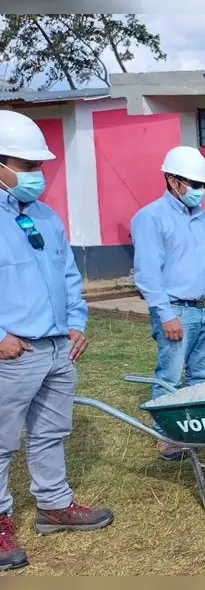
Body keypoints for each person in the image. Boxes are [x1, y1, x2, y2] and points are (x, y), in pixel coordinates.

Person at [0, 110, 113, 572]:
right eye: (25, 166)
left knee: (51, 432)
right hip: (14, 351)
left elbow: (68, 274)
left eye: (38, 166)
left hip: (56, 348)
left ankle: (53, 505)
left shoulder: (45, 216)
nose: (36, 175)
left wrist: (77, 322)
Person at [131, 146, 205, 461]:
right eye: (194, 185)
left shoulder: (204, 217)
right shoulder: (150, 218)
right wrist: (165, 314)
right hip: (177, 310)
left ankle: (194, 429)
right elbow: (147, 274)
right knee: (169, 375)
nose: (200, 191)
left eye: (204, 186)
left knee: (202, 375)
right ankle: (167, 436)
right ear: (172, 180)